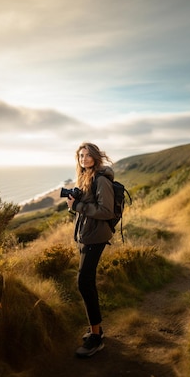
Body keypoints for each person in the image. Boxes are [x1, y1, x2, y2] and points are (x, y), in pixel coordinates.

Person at [66, 142, 116, 358]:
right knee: (87, 282)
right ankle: (97, 330)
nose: (84, 159)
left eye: (87, 155)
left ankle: (96, 338)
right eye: (81, 155)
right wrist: (75, 203)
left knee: (83, 282)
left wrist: (77, 206)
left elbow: (106, 211)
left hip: (96, 238)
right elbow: (89, 209)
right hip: (87, 237)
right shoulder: (86, 177)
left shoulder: (101, 179)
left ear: (96, 157)